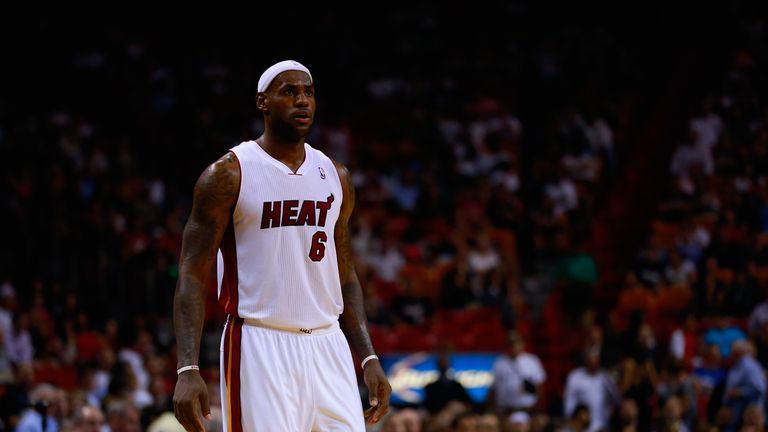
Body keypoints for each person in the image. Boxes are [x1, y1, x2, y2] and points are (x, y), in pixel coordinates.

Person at [172, 60, 391, 431]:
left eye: (308, 92)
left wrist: (368, 357)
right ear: (263, 101)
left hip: (328, 343)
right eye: (289, 92)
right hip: (260, 343)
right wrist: (187, 366)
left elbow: (345, 273)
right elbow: (192, 274)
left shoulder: (336, 176)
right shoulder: (228, 174)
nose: (302, 101)